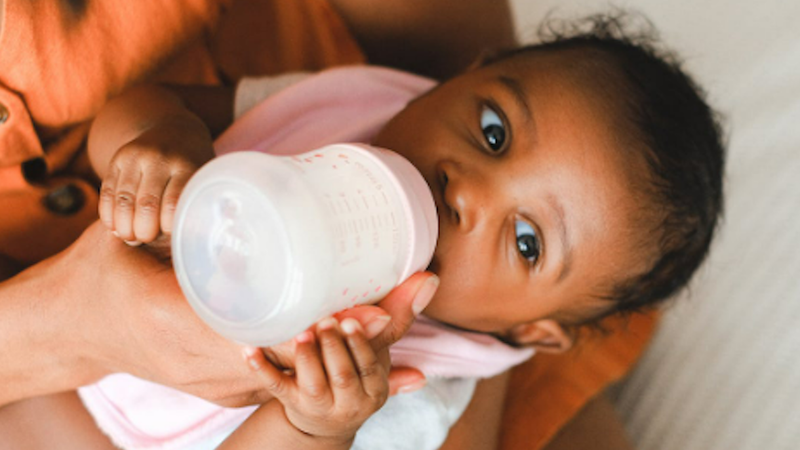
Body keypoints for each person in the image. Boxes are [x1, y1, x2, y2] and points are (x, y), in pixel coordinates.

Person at [0, 1, 658, 448]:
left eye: (526, 241)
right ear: (466, 77)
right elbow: (158, 106)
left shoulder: (412, 388)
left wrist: (312, 424)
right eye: (493, 131)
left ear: (529, 329)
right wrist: (156, 137)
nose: (470, 193)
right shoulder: (357, 107)